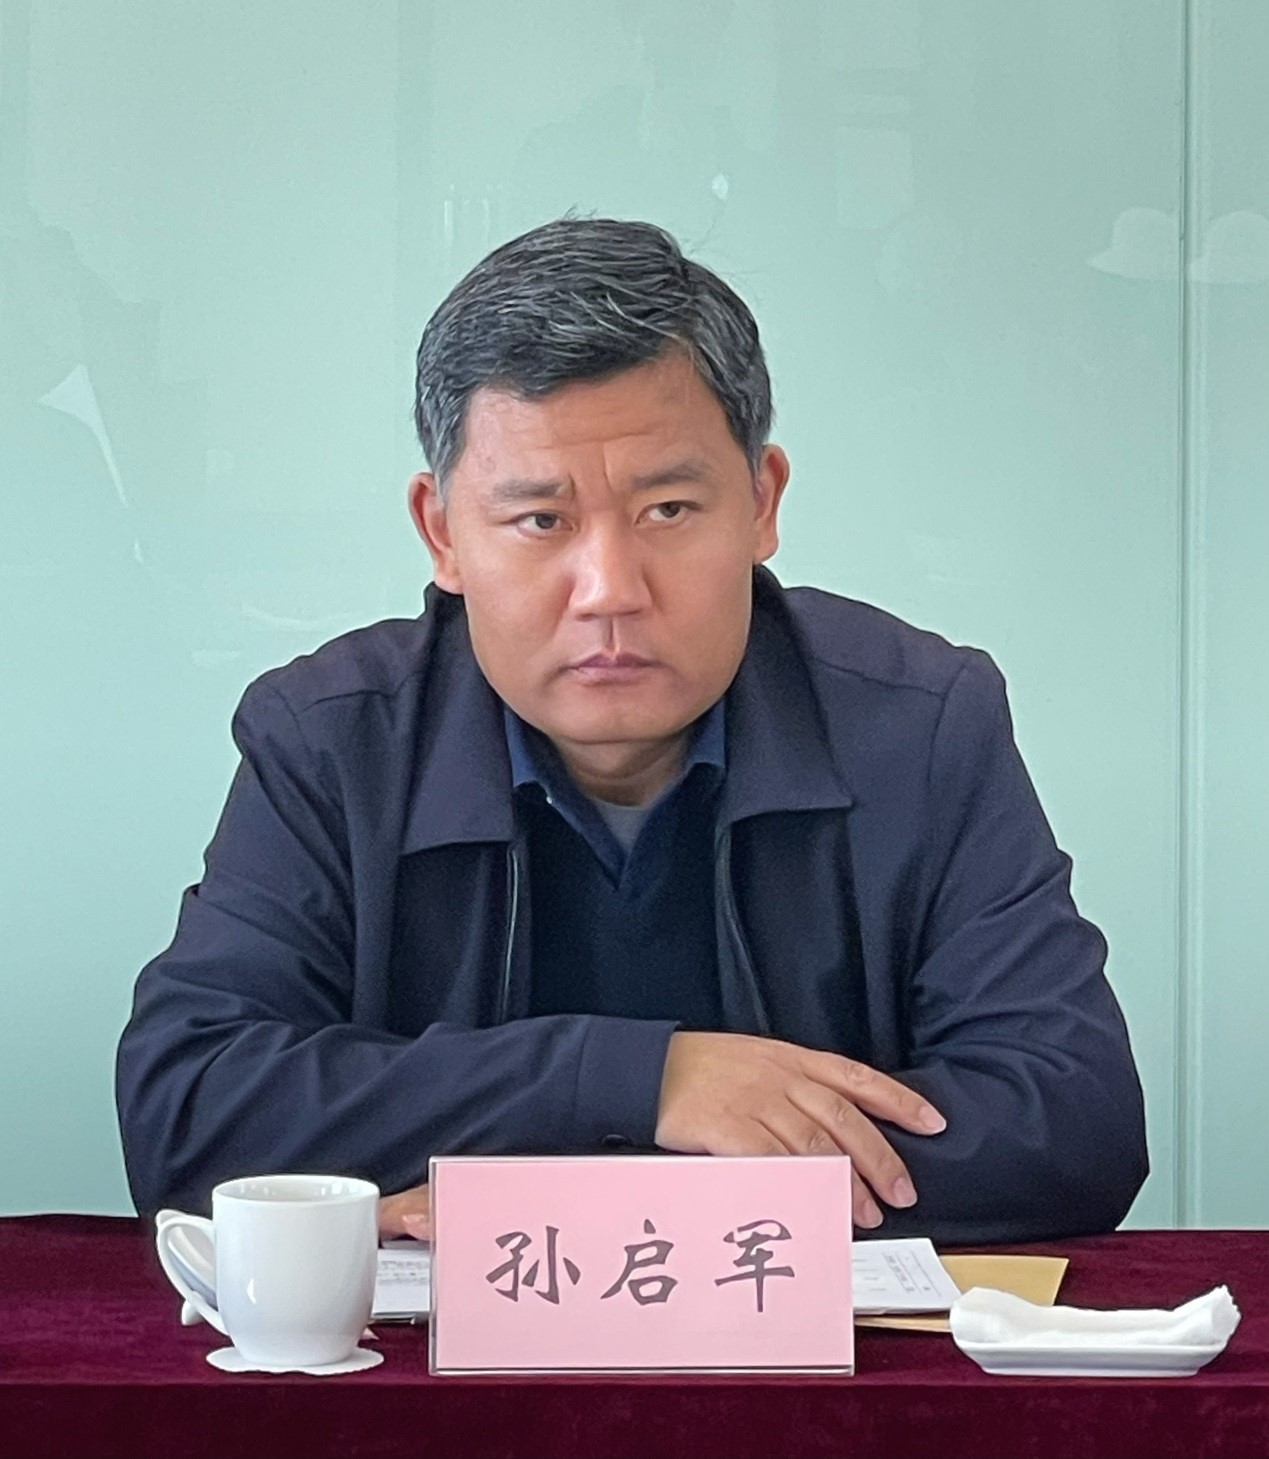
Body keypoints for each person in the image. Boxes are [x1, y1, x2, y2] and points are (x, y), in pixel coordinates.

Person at [116, 218, 1148, 1245]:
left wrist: (580, 1195)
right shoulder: (332, 742)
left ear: (761, 502)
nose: (609, 589)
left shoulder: (919, 724)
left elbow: (1071, 1115)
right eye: (541, 520)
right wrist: (642, 1080)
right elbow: (190, 1110)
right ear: (443, 531)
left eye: (668, 511)